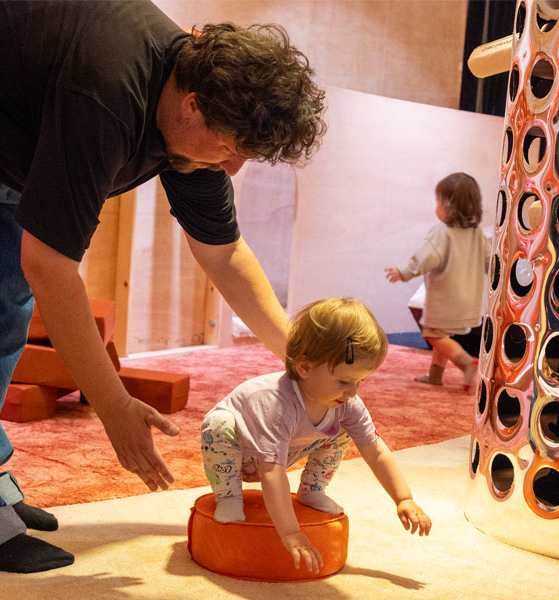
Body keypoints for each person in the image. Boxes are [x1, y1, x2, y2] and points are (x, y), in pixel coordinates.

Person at [0, 1, 326, 573]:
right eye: (231, 148)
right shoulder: (107, 93)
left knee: (4, 314)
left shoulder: (191, 116)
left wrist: (303, 356)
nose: (234, 167)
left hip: (13, 149)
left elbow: (223, 254)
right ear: (193, 106)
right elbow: (51, 265)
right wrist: (114, 404)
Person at [201, 298, 431, 574]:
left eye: (360, 381)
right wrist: (289, 533)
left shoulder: (346, 404)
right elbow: (271, 473)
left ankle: (313, 490)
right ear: (305, 367)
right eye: (344, 381)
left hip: (280, 452)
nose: (353, 391)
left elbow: (375, 450)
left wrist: (403, 498)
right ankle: (228, 496)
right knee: (217, 424)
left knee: (343, 430)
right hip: (240, 451)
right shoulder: (277, 404)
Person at [384, 172, 490, 393]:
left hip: (446, 300)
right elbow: (490, 261)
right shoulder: (477, 233)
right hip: (470, 303)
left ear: (448, 206)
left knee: (433, 335)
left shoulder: (441, 232)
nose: (436, 206)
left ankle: (465, 363)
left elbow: (425, 257)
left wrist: (403, 272)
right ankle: (434, 376)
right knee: (443, 335)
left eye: (438, 201)